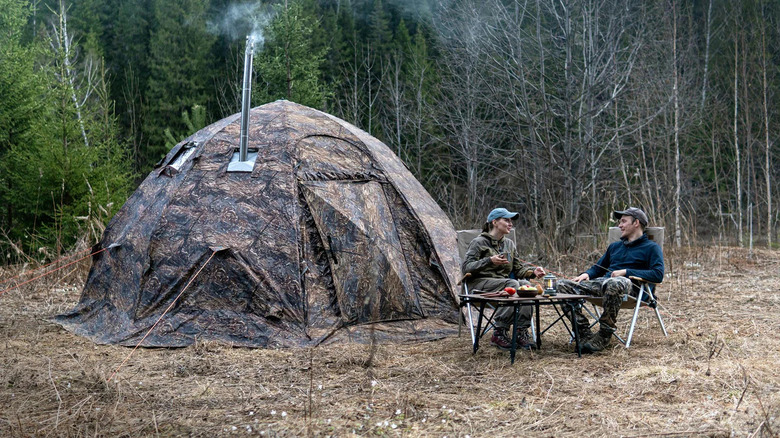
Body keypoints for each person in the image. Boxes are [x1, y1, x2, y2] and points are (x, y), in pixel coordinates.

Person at [556, 207, 664, 353]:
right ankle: (583, 332)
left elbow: (658, 274)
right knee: (562, 285)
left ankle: (605, 333)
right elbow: (598, 268)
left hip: (633, 289)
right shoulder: (615, 247)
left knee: (616, 281)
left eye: (624, 221)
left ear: (636, 223)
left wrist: (626, 272)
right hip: (603, 285)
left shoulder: (651, 248)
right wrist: (587, 274)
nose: (619, 225)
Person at [461, 208, 545, 350]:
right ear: (494, 222)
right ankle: (499, 332)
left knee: (526, 285)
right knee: (512, 283)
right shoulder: (478, 242)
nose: (510, 223)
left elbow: (518, 268)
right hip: (478, 285)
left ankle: (520, 332)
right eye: (506, 220)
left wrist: (533, 272)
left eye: (511, 220)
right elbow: (466, 268)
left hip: (502, 285)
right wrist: (489, 261)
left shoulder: (509, 244)